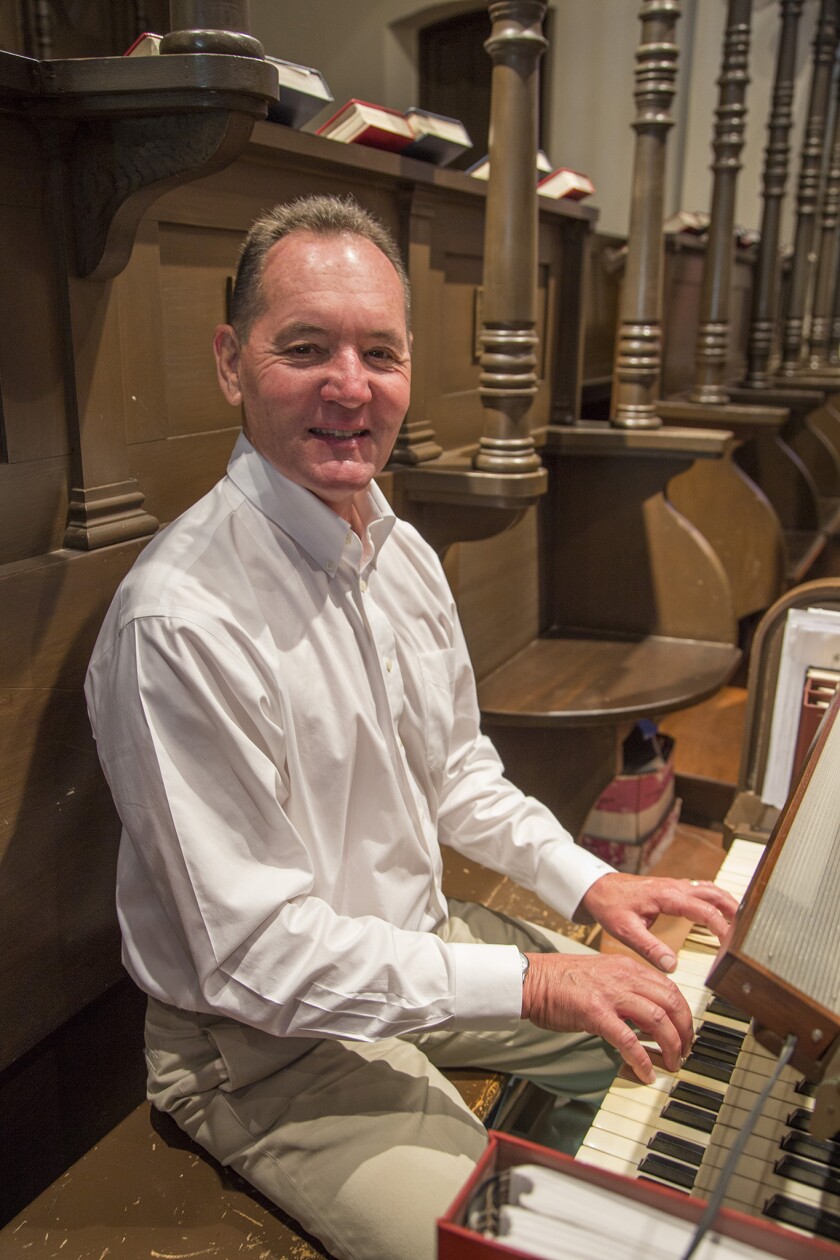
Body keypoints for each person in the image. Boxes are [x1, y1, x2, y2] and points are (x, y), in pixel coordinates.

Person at [85, 194, 737, 1260]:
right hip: (263, 1048)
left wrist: (591, 883)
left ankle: (622, 1185)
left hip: (413, 950)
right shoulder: (181, 623)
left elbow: (456, 775)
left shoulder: (399, 549)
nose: (351, 386)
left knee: (676, 1026)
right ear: (229, 362)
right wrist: (531, 975)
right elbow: (258, 955)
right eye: (305, 347)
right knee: (519, 1248)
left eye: (378, 352)